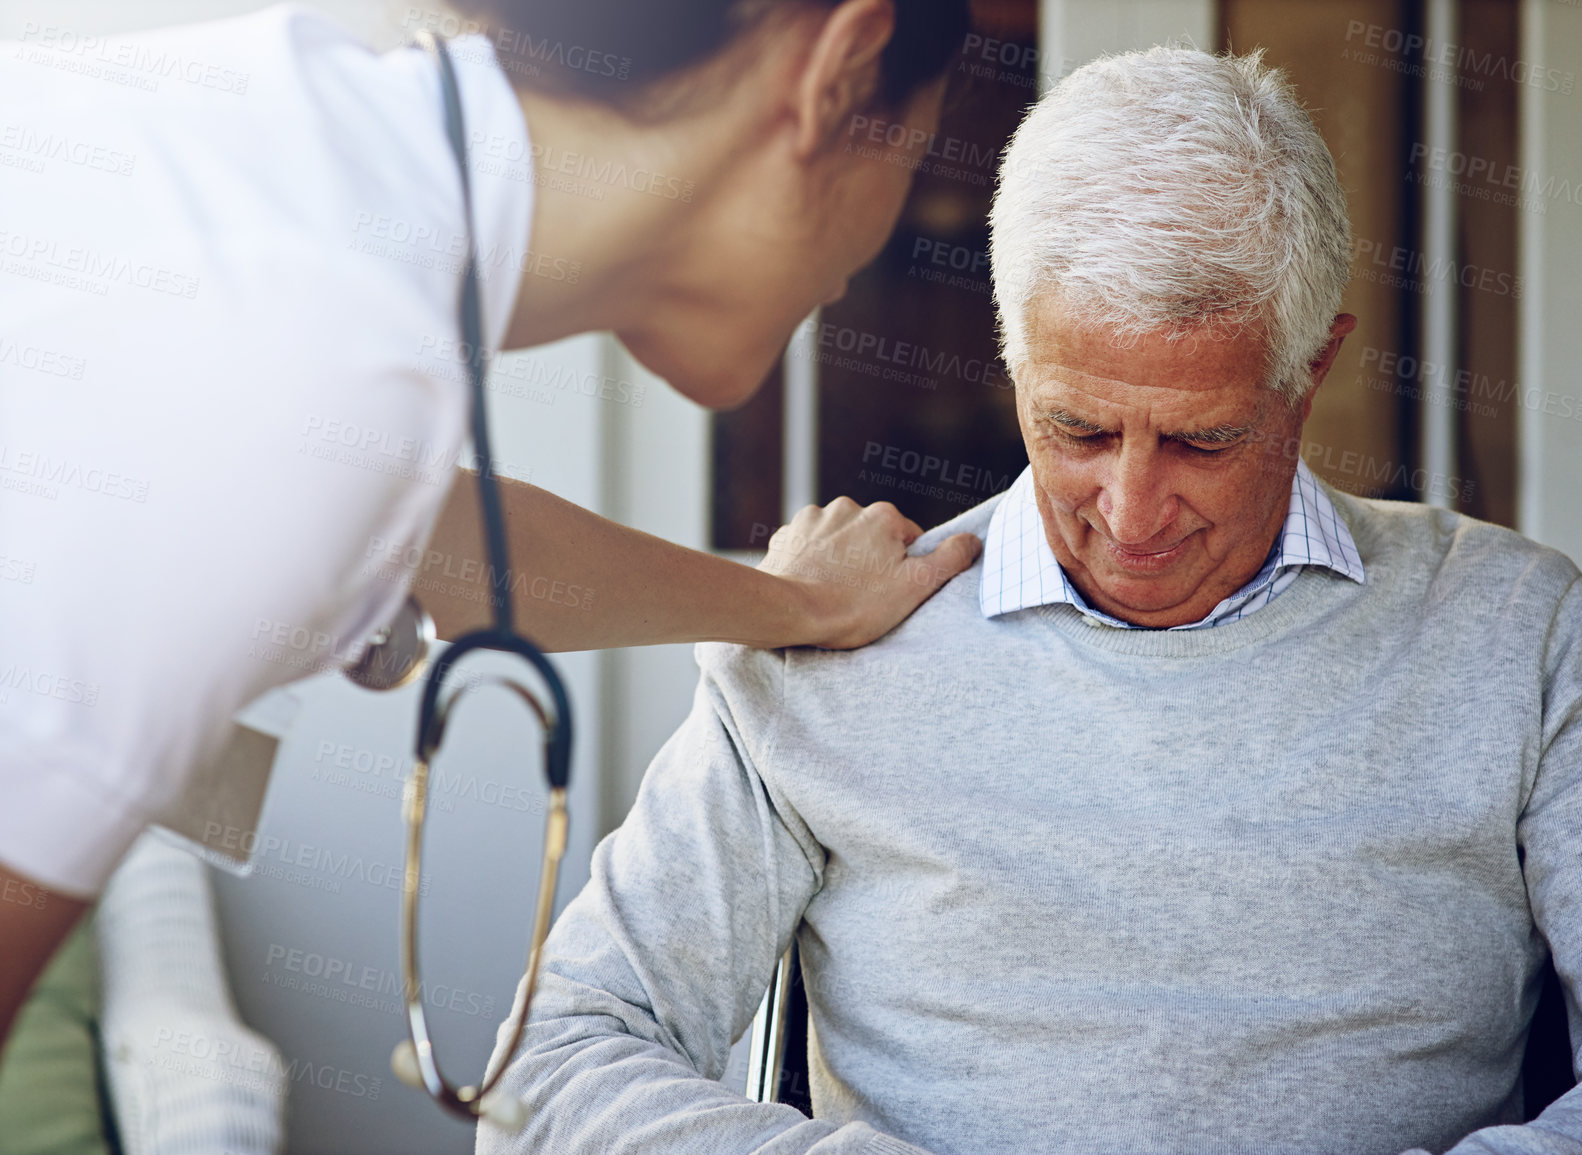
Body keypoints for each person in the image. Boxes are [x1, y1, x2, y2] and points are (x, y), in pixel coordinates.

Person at [474, 47, 1582, 1155]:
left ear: (1314, 372)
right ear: (1014, 357)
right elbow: (550, 1070)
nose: (1130, 516)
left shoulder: (1517, 631)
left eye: (1200, 441)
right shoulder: (828, 646)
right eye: (1076, 428)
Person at [0, 0, 980, 1043]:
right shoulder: (306, 343)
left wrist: (796, 606)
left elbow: (441, 544)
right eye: (913, 153)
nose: (878, 241)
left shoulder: (304, 154)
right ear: (839, 69)